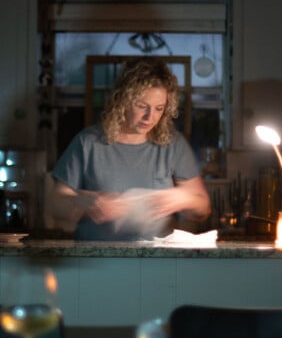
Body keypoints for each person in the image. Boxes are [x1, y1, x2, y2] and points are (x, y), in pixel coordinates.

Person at [49, 57, 211, 240]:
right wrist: (83, 202)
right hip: (95, 258)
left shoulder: (172, 144)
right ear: (123, 100)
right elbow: (55, 203)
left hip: (157, 260)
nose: (149, 117)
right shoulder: (88, 142)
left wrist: (183, 198)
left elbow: (203, 208)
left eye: (159, 108)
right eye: (142, 106)